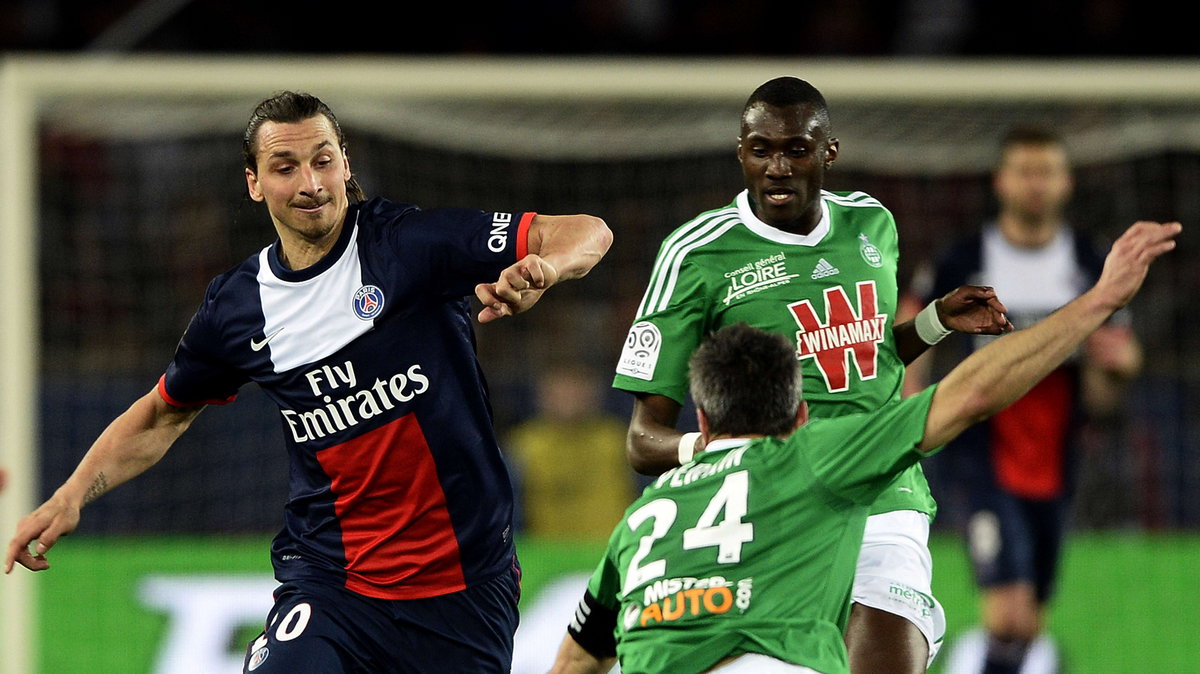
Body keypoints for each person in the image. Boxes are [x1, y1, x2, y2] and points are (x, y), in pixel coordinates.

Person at [4, 91, 613, 674]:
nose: (310, 184)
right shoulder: (238, 307)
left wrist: (547, 267)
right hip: (331, 582)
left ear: (345, 164)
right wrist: (70, 496)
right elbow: (163, 413)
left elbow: (587, 231)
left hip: (463, 586)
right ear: (254, 182)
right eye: (285, 166)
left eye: (322, 161)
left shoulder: (409, 246)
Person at [551, 217, 1179, 674]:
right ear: (801, 416)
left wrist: (928, 324)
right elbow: (972, 392)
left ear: (706, 423)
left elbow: (576, 659)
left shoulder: (638, 527)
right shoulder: (817, 458)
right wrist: (1099, 301)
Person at [611, 75, 1013, 673]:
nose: (776, 166)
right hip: (766, 514)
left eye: (795, 149)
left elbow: (862, 355)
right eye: (760, 149)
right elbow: (644, 442)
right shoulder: (694, 254)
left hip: (882, 492)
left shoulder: (872, 223)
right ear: (741, 152)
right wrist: (727, 449)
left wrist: (934, 323)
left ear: (828, 153)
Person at [904, 125, 1143, 674]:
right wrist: (908, 410)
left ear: (1066, 183)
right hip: (980, 447)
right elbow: (911, 327)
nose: (1035, 184)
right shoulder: (965, 259)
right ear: (1001, 182)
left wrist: (1120, 368)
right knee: (1008, 613)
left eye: (1046, 172)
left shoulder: (1090, 263)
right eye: (1024, 172)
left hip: (1058, 454)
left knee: (1028, 617)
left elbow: (1113, 379)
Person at [506, 364, 639, 540]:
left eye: (576, 391)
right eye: (560, 392)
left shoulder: (617, 438)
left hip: (609, 547)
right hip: (546, 554)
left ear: (593, 395)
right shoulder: (524, 444)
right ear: (542, 396)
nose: (569, 399)